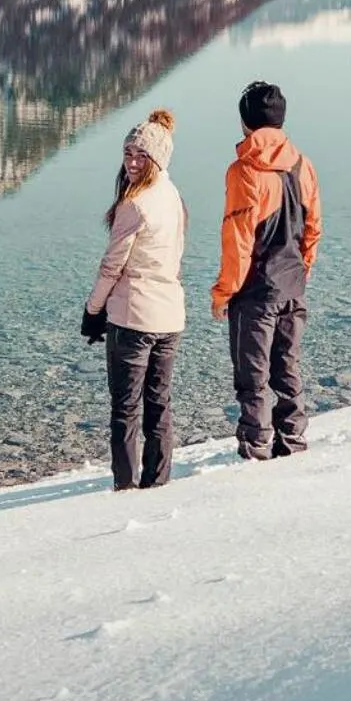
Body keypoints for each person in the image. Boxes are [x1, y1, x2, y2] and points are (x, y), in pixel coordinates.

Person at [210, 80, 322, 461]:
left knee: (252, 378)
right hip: (292, 287)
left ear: (246, 122)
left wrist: (223, 293)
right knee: (287, 369)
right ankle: (293, 440)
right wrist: (300, 272)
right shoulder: (303, 164)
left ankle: (255, 448)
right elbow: (313, 229)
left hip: (255, 292)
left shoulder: (244, 171)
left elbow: (238, 241)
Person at [81, 109, 187, 490]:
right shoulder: (172, 196)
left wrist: (92, 311)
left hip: (133, 320)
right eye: (128, 153)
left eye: (141, 155)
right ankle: (157, 481)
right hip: (170, 318)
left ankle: (125, 488)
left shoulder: (134, 204)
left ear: (157, 160)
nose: (131, 162)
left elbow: (111, 267)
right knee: (159, 403)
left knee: (125, 409)